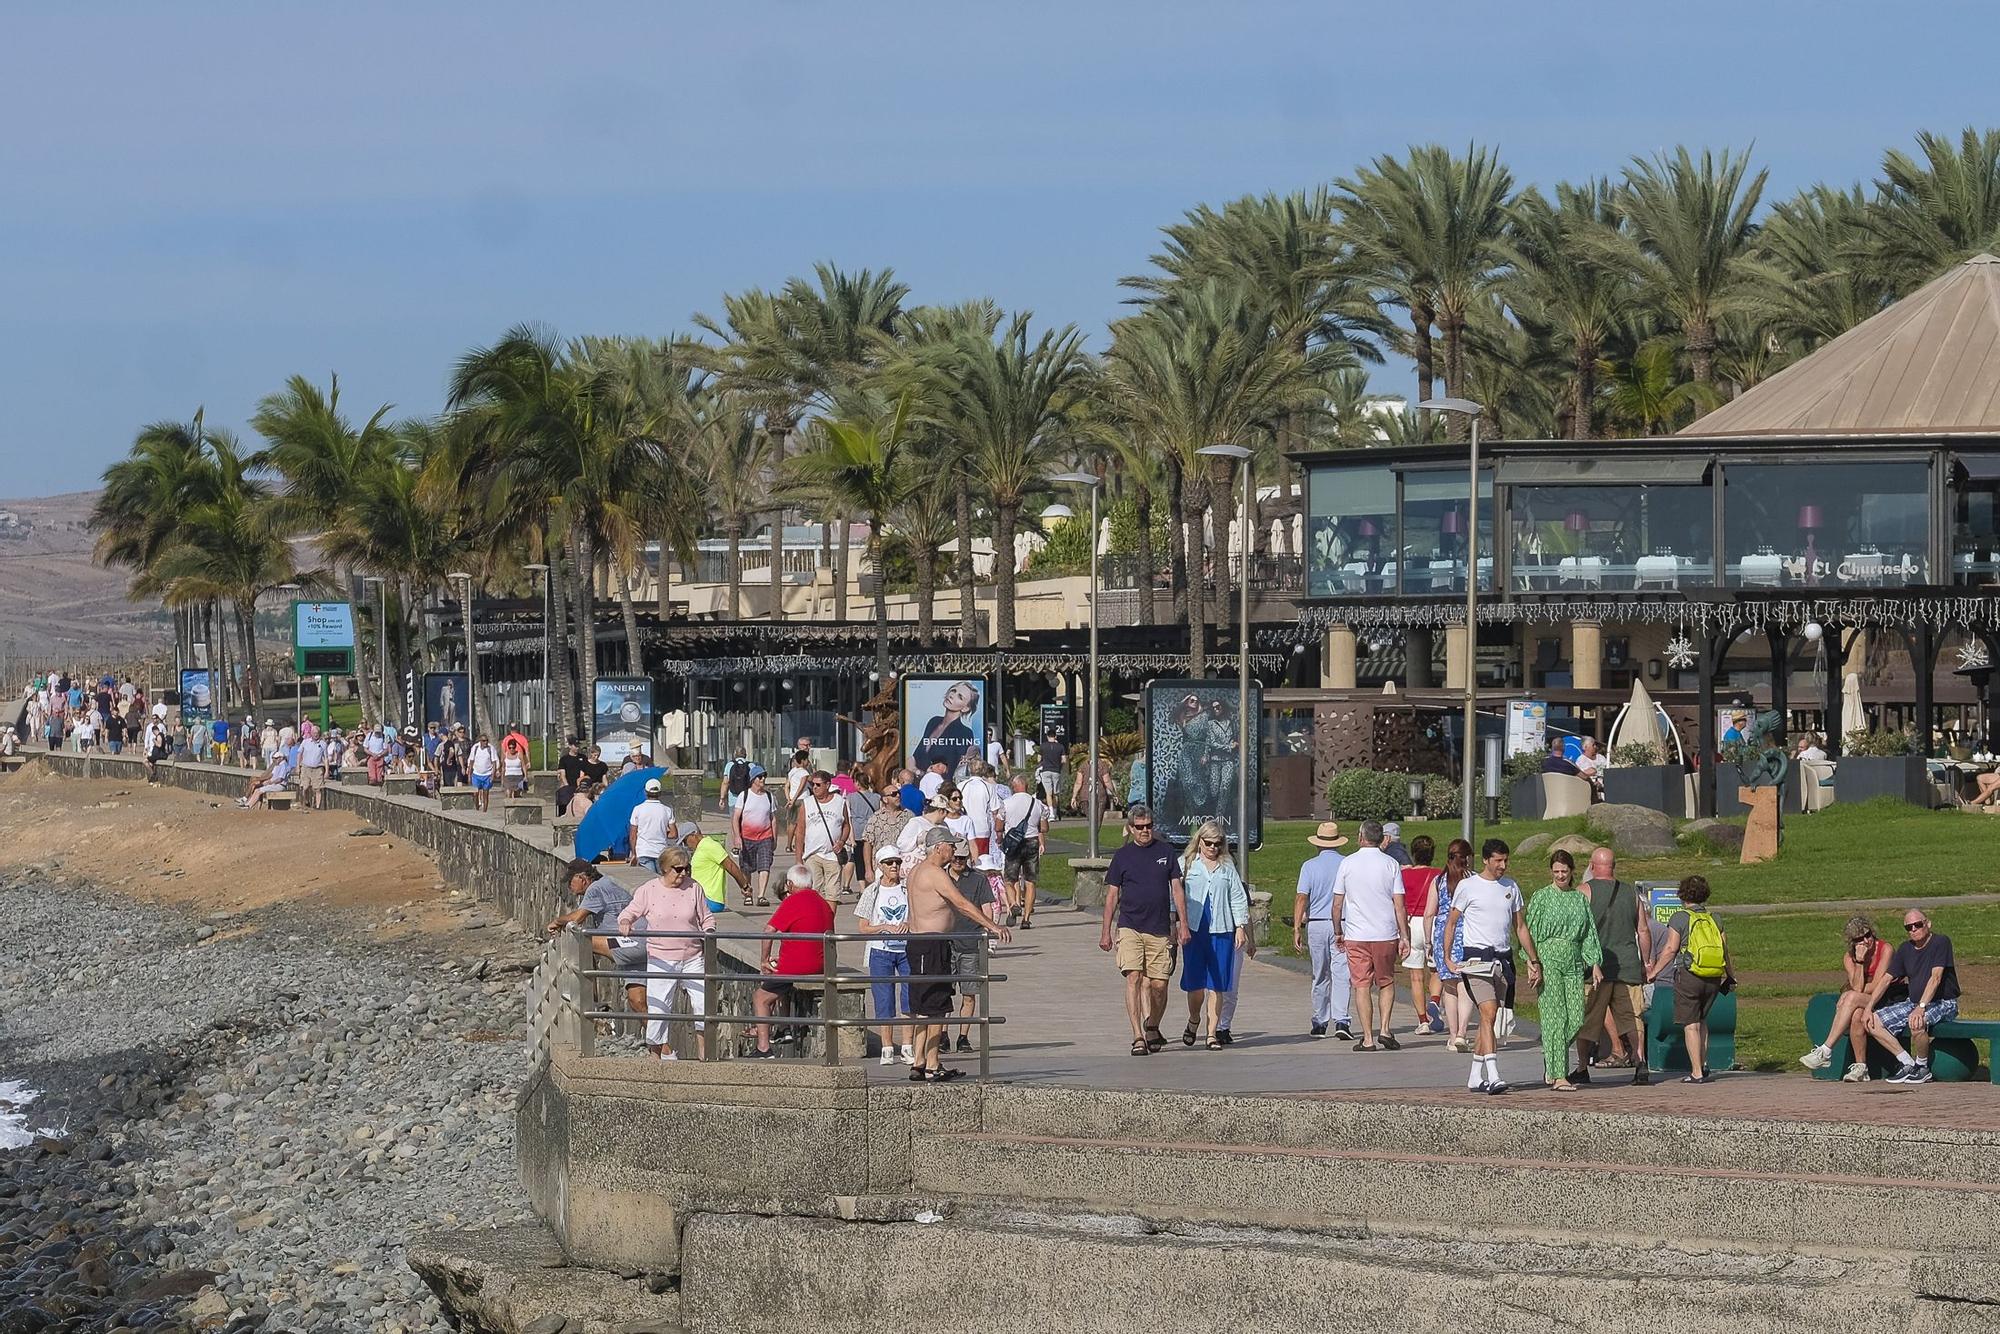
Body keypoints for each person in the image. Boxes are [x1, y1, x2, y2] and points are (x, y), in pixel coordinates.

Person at [903, 825, 1009, 1080]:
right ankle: (932, 1064)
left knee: (923, 1007)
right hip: (931, 945)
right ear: (939, 847)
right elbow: (961, 904)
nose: (954, 850)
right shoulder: (935, 873)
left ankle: (918, 1062)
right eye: (951, 845)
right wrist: (992, 925)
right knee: (937, 1007)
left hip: (918, 944)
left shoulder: (916, 871)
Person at [1443, 839, 1541, 1094]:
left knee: (1491, 1016)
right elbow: (1451, 923)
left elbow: (1520, 927)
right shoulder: (1468, 886)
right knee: (1488, 1013)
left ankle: (1475, 1075)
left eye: (1505, 860)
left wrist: (1533, 959)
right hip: (1477, 961)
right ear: (1485, 860)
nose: (1503, 865)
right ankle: (1494, 1074)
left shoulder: (1511, 887)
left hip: (1502, 960)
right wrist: (1447, 957)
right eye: (1498, 860)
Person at [1100, 804, 1191, 1056]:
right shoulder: (1122, 856)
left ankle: (1152, 1025)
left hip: (1160, 928)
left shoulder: (1166, 852)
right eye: (1139, 827)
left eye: (1149, 826)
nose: (1144, 831)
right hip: (1130, 926)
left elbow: (1177, 890)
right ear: (1131, 828)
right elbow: (1112, 895)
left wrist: (1183, 925)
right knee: (1134, 978)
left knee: (1160, 985)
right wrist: (1106, 931)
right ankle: (1137, 1035)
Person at [617, 847, 715, 1060]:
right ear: (664, 868)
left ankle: (704, 1054)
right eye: (678, 869)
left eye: (687, 869)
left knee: (702, 1002)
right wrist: (625, 922)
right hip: (661, 957)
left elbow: (706, 917)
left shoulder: (694, 888)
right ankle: (656, 1055)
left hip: (692, 956)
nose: (683, 874)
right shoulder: (649, 890)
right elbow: (630, 911)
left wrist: (709, 931)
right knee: (659, 1006)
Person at [1523, 850, 1604, 1092]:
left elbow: (1589, 933)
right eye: (1556, 871)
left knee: (1577, 1018)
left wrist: (1595, 962)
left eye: (1564, 871)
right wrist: (1532, 962)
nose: (1560, 876)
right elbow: (1529, 932)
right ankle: (1559, 1075)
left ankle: (1553, 1055)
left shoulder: (1579, 898)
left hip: (1573, 960)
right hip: (1548, 959)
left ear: (1571, 871)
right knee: (1555, 1018)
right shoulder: (1541, 897)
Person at [1644, 874, 1734, 1084]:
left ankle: (1696, 1072)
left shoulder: (1679, 917)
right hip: (1713, 976)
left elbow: (1670, 949)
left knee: (1690, 1024)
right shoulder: (1715, 918)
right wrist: (1731, 975)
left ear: (1682, 895)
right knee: (1703, 1021)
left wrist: (1655, 971)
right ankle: (1703, 1064)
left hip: (1689, 975)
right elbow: (1724, 950)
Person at [1577, 848, 1653, 1084]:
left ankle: (1581, 1068)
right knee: (1632, 1016)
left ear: (1591, 866)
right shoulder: (1631, 893)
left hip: (1594, 968)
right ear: (1614, 866)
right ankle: (1640, 1061)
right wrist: (1646, 962)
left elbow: (1576, 930)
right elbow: (1643, 930)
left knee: (1587, 1018)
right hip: (1627, 965)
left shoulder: (1583, 891)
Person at [1332, 820, 1409, 1051]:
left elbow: (1337, 904)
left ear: (1360, 837)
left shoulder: (1347, 863)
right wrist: (1404, 935)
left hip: (1357, 934)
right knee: (1386, 981)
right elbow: (1399, 904)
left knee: (1361, 984)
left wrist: (1338, 931)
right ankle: (1385, 1029)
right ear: (1382, 839)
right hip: (1385, 933)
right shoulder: (1391, 864)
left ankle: (1367, 1037)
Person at [745, 865, 836, 1059]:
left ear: (790, 884)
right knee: (778, 980)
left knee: (761, 997)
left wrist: (764, 960)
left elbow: (768, 931)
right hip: (821, 964)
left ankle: (763, 1048)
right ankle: (783, 1027)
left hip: (798, 966)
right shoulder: (823, 903)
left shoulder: (793, 900)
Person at [1860, 910, 1959, 1085]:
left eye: (1918, 925)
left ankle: (1922, 1067)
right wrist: (1868, 1008)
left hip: (1942, 1001)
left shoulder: (1941, 942)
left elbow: (1935, 978)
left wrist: (1920, 1007)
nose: (1914, 929)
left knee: (1917, 1022)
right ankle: (1908, 1063)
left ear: (1927, 924)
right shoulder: (1905, 948)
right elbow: (1886, 980)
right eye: (1909, 927)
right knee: (1872, 1021)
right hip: (1913, 1002)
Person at [546, 858, 648, 1025]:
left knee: (580, 941)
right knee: (637, 1001)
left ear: (582, 878)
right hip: (639, 942)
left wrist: (557, 922)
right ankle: (661, 1049)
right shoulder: (608, 882)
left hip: (629, 943)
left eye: (571, 882)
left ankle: (588, 1002)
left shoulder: (595, 888)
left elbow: (577, 918)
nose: (570, 888)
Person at [1176, 820, 1250, 1051]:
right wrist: (1176, 924)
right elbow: (1174, 895)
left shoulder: (1227, 867)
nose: (1213, 848)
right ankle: (1194, 1019)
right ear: (1199, 842)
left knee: (1217, 984)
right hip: (1195, 930)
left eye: (1218, 844)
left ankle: (1211, 1033)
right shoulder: (1186, 864)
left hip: (1222, 930)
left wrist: (1240, 927)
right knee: (1195, 984)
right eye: (1209, 843)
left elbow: (1238, 898)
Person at [1800, 915, 1902, 1080]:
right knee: (1856, 1015)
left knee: (1851, 997)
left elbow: (1877, 985)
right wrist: (1860, 962)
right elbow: (1857, 987)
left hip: (1888, 997)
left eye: (1868, 935)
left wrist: (1852, 994)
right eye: (1860, 939)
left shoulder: (1885, 949)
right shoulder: (1849, 958)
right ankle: (1861, 1068)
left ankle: (1825, 1050)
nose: (1866, 941)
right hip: (1865, 1001)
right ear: (1853, 942)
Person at [1292, 820, 1354, 1041]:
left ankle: (1320, 1020)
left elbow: (1301, 897)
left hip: (1317, 922)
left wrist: (1297, 928)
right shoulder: (1347, 863)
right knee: (1342, 973)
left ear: (1317, 844)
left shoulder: (1309, 866)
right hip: (1342, 922)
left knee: (1320, 974)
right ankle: (1342, 1019)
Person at [857, 848, 914, 1065]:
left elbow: (918, 915)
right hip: (880, 952)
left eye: (897, 862)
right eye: (889, 863)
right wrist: (883, 928)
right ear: (880, 865)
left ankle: (907, 1046)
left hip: (906, 950)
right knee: (884, 1001)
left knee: (909, 998)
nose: (894, 866)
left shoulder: (908, 889)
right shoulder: (871, 892)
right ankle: (887, 1047)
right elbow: (862, 927)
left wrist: (908, 924)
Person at [1429, 838, 1475, 1051]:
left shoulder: (1438, 881)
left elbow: (1430, 913)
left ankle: (1452, 1033)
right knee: (1465, 986)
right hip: (1467, 934)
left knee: (1449, 987)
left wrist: (1431, 941)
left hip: (1443, 934)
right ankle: (1462, 1034)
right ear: (1467, 858)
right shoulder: (1473, 880)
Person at [1400, 835, 1443, 1035]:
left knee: (1416, 976)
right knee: (1436, 970)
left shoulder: (1404, 875)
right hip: (1433, 921)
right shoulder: (1439, 874)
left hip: (1412, 923)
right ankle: (1434, 1001)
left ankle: (1423, 1021)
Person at [997, 774, 1049, 929]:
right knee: (1030, 881)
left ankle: (1013, 903)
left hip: (1014, 844)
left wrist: (1001, 836)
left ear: (1014, 787)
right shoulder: (1038, 804)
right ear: (1027, 786)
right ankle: (1026, 919)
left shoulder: (1006, 803)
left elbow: (998, 827)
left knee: (1009, 879)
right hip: (1031, 842)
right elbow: (1044, 828)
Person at [791, 769, 851, 901]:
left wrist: (841, 841)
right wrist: (798, 859)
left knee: (833, 894)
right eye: (812, 784)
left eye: (818, 785)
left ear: (828, 785)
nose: (814, 787)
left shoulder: (839, 802)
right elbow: (800, 832)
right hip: (813, 854)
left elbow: (846, 825)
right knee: (814, 892)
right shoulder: (807, 803)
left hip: (832, 855)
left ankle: (829, 920)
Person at [911, 681, 980, 774]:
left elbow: (956, 768)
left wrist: (921, 772)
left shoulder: (965, 732)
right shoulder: (933, 721)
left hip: (943, 785)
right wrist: (917, 771)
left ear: (965, 708)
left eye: (960, 697)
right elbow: (914, 757)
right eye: (953, 690)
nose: (952, 695)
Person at [733, 770, 778, 906]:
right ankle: (748, 893)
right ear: (753, 779)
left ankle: (761, 896)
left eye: (764, 776)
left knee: (765, 866)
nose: (763, 779)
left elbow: (773, 819)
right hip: (747, 837)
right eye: (760, 777)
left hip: (765, 837)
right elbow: (736, 817)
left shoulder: (769, 797)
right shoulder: (744, 796)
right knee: (746, 868)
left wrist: (774, 838)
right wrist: (737, 837)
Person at [684, 826, 748, 916]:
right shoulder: (701, 848)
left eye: (685, 841)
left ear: (694, 835)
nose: (686, 845)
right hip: (701, 898)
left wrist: (744, 886)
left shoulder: (710, 845)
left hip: (710, 900)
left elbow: (730, 865)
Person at [627, 778, 678, 874]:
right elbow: (674, 834)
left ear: (646, 792)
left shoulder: (637, 809)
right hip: (661, 851)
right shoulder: (667, 810)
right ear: (660, 793)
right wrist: (661, 832)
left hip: (643, 850)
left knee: (649, 883)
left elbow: (633, 836)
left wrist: (634, 853)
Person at [958, 760, 999, 859]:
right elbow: (995, 811)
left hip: (964, 828)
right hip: (982, 829)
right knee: (981, 861)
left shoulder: (961, 786)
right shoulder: (989, 787)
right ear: (983, 770)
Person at [295, 726, 327, 810]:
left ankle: (317, 806)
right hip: (305, 767)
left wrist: (327, 770)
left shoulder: (323, 744)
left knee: (317, 788)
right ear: (311, 733)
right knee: (305, 787)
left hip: (318, 768)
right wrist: (298, 766)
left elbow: (326, 758)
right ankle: (306, 801)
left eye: (317, 733)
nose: (316, 735)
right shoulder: (305, 742)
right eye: (314, 733)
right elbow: (299, 754)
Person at [465, 733, 498, 812]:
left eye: (486, 741)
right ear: (480, 741)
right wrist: (469, 775)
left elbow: (494, 762)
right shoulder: (475, 748)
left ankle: (484, 811)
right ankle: (476, 809)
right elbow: (471, 761)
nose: (485, 742)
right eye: (483, 741)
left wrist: (493, 775)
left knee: (485, 794)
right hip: (476, 774)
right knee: (475, 793)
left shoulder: (491, 748)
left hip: (487, 774)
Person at [1035, 733, 1067, 812]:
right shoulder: (1060, 746)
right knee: (1055, 793)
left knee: (1048, 793)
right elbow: (1064, 760)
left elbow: (1039, 759)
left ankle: (1051, 812)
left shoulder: (1043, 746)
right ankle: (1055, 812)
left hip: (1046, 770)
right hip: (1056, 771)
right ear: (1055, 736)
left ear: (1047, 736)